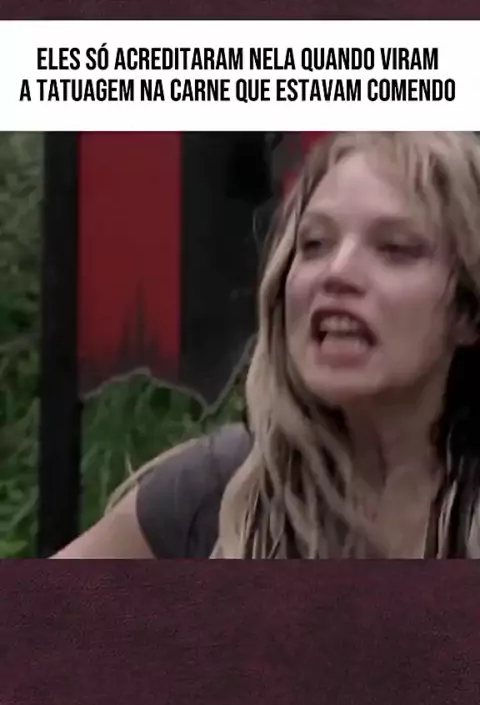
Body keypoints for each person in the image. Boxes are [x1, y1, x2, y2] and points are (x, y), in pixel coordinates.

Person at [54, 131, 480, 559]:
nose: (337, 271)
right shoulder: (218, 491)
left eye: (394, 248)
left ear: (468, 312)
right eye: (314, 244)